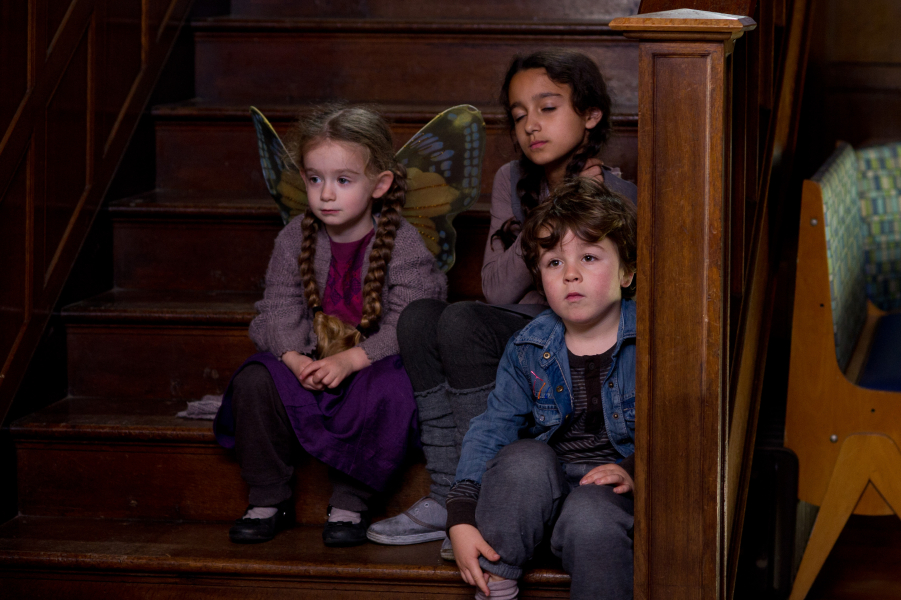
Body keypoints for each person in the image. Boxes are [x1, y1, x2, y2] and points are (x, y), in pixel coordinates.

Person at [366, 49, 637, 558]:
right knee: (419, 318)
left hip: (566, 336)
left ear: (590, 115)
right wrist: (553, 208)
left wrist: (579, 202)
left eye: (547, 108)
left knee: (461, 321)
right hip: (517, 323)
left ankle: (487, 502)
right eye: (518, 115)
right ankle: (448, 496)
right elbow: (498, 288)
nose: (531, 125)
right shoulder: (512, 180)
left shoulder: (619, 193)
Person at [214, 105, 447, 547]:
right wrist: (293, 358)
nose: (325, 194)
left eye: (343, 180)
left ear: (380, 184)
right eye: (314, 179)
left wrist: (352, 360)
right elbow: (277, 308)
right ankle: (268, 496)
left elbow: (412, 319)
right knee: (254, 380)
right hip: (312, 363)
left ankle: (350, 501)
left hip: (372, 364)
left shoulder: (402, 242)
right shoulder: (294, 237)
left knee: (391, 387)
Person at [448, 178, 637, 600]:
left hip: (611, 504)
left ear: (626, 272)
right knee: (523, 458)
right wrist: (461, 516)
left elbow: (679, 432)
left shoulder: (652, 342)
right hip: (541, 501)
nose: (570, 273)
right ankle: (496, 584)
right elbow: (491, 430)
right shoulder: (529, 347)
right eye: (554, 263)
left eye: (589, 257)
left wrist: (636, 469)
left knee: (591, 515)